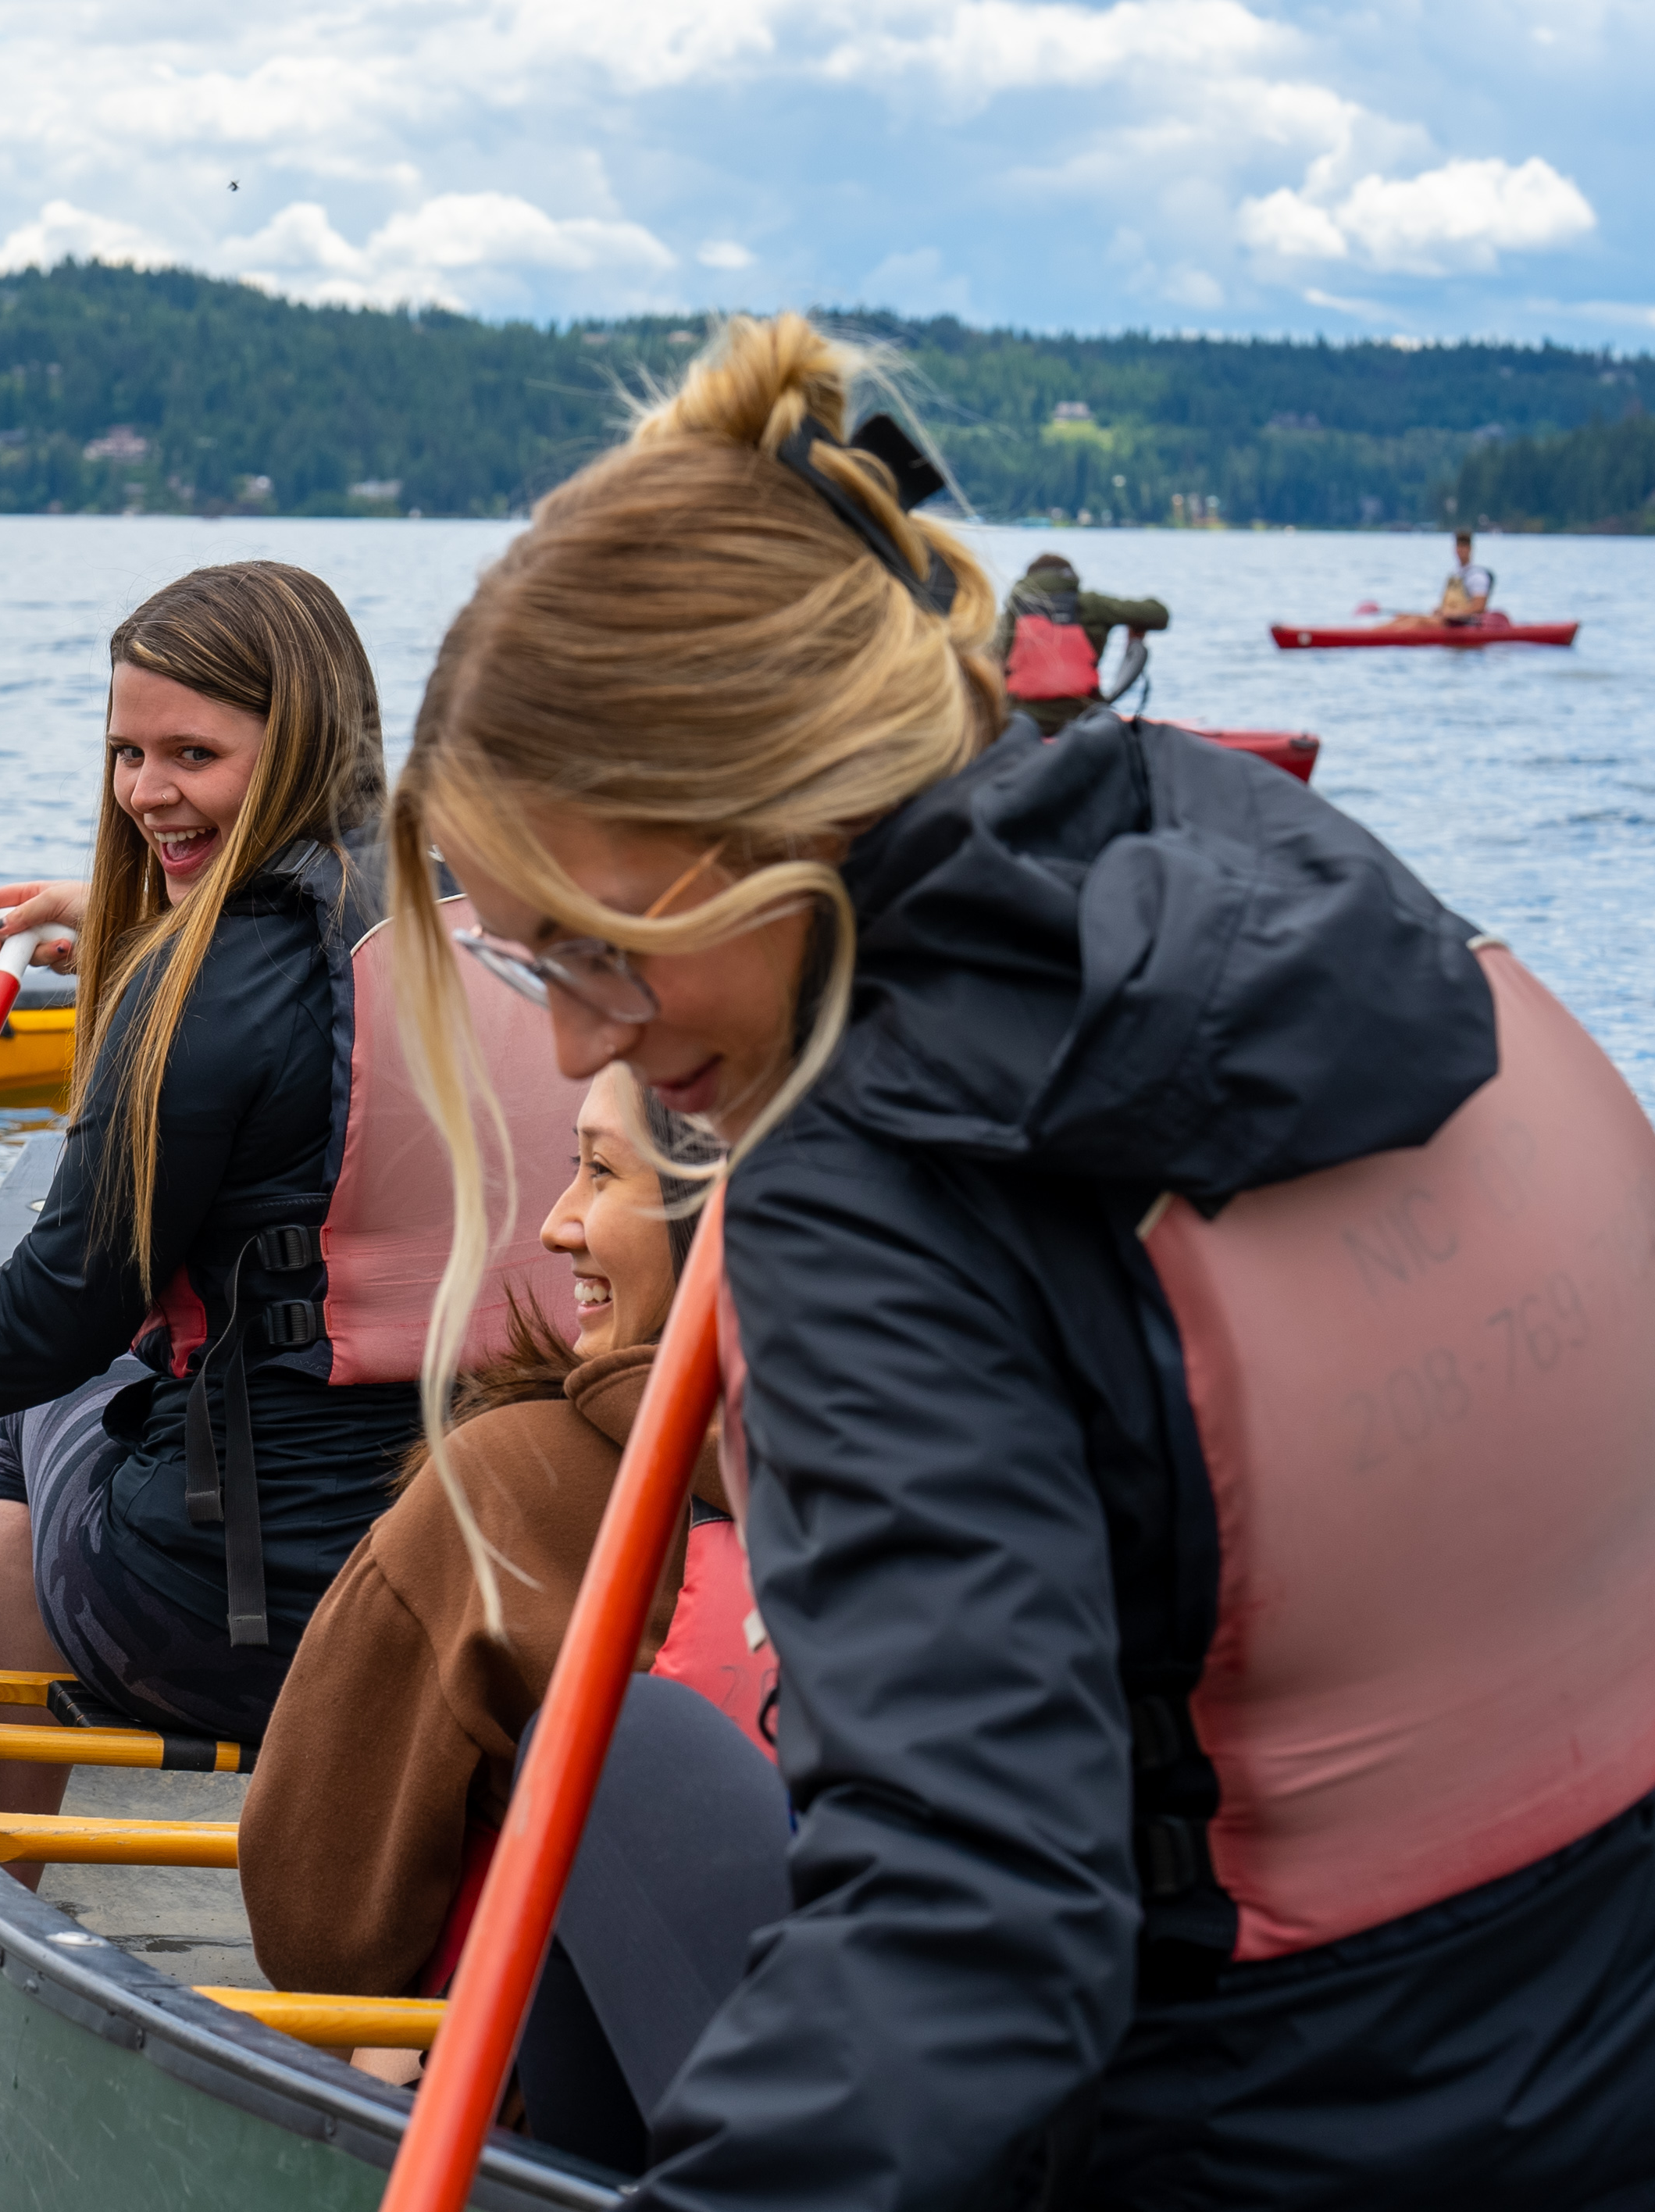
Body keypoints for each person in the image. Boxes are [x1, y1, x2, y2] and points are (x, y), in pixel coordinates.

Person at [384, 310, 1655, 2203]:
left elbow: (971, 1933)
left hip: (1244, 2133)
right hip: (1599, 2059)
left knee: (614, 1771)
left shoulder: (868, 1182)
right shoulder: (1300, 884)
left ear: (758, 811)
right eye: (525, 963)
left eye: (588, 943)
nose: (573, 1041)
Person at [0, 561, 576, 1851]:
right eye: (126, 753)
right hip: (490, 1584)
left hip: (243, 1627)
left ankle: (13, 1890)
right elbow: (316, 963)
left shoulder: (197, 990)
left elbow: (41, 1326)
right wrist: (105, 902)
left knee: (23, 1419)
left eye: (192, 754)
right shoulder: (463, 908)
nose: (146, 792)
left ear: (299, 739)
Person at [238, 1066, 768, 2039]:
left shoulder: (501, 1483)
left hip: (564, 2101)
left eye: (599, 1173)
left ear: (726, 1210)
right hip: (879, 2059)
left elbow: (317, 1929)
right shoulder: (971, 1477)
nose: (559, 1223)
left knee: (23, 1453)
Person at [997, 550, 1167, 733]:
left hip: (1020, 723)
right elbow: (1158, 614)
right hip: (1084, 719)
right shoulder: (1091, 604)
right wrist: (1136, 627)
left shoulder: (1010, 614)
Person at [1393, 529, 1494, 626]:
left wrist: (1453, 614)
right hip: (1447, 620)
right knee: (1403, 617)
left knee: (1417, 622)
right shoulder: (1454, 574)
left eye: (1464, 547)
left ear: (1470, 549)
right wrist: (1440, 609)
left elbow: (1479, 608)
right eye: (1459, 547)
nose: (1461, 550)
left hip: (1463, 624)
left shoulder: (1477, 576)